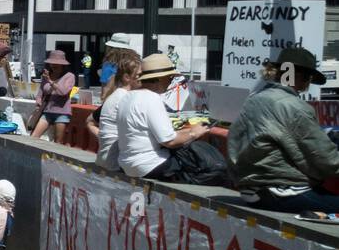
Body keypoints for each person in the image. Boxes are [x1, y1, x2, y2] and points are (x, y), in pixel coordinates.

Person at [229, 47, 339, 213]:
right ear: (301, 77)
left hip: (251, 190)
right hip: (280, 192)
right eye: (308, 77)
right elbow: (327, 160)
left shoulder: (255, 98)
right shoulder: (294, 106)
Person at [115, 53, 214, 181]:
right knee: (211, 169)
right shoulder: (152, 98)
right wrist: (194, 133)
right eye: (170, 78)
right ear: (159, 79)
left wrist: (188, 131)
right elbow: (169, 141)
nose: (170, 82)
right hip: (148, 164)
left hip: (127, 163)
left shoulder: (126, 98)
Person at [88, 50, 141, 171]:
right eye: (138, 75)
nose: (142, 79)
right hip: (116, 163)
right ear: (127, 77)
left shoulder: (114, 96)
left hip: (105, 159)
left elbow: (89, 122)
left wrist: (105, 138)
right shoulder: (126, 99)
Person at [29, 49, 76, 142]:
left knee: (57, 142)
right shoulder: (46, 76)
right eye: (52, 63)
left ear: (62, 64)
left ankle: (54, 157)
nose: (53, 65)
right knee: (33, 137)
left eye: (56, 63)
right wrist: (38, 102)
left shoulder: (69, 76)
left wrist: (50, 81)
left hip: (62, 113)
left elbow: (63, 92)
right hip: (47, 111)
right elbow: (41, 92)